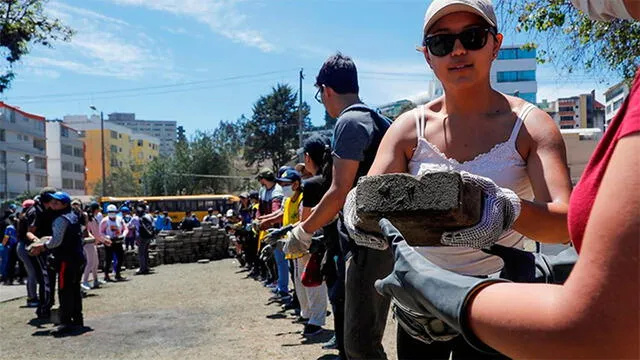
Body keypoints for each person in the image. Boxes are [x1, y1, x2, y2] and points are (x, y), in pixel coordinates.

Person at [372, 0, 639, 359]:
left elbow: (563, 224)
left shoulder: (530, 125)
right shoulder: (407, 128)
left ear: (495, 44)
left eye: (473, 36)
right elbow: (372, 202)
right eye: (441, 42)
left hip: (503, 299)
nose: (459, 50)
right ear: (427, 56)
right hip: (421, 309)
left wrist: (502, 209)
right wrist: (360, 209)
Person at [286, 53, 393, 359]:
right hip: (382, 239)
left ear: (326, 90)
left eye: (321, 96)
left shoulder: (349, 122)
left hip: (367, 242)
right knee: (364, 337)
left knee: (360, 344)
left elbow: (339, 190)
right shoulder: (378, 119)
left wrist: (303, 231)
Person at [298, 134, 345, 355]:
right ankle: (342, 337)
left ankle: (343, 343)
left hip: (327, 244)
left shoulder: (312, 184)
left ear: (308, 158)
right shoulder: (338, 178)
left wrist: (295, 235)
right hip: (343, 243)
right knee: (341, 294)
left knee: (335, 294)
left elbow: (305, 221)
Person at [29, 191, 86, 335]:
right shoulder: (73, 216)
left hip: (66, 259)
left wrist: (42, 246)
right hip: (77, 257)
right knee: (74, 289)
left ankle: (66, 321)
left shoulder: (60, 219)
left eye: (56, 202)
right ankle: (77, 318)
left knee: (64, 290)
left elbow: (56, 241)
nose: (52, 205)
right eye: (52, 202)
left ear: (64, 204)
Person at [25, 187, 59, 320]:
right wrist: (38, 241)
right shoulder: (35, 212)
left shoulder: (50, 210)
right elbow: (29, 232)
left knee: (50, 278)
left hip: (49, 247)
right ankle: (44, 307)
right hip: (39, 249)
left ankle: (48, 303)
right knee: (45, 278)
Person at [16, 200, 39, 307]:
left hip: (20, 246)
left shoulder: (22, 217)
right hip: (24, 247)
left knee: (31, 273)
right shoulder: (28, 218)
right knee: (32, 273)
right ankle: (32, 298)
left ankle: (32, 296)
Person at [99, 204, 128, 282]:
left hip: (118, 241)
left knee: (120, 258)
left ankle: (118, 274)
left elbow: (125, 228)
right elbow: (101, 232)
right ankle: (106, 275)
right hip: (109, 242)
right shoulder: (104, 221)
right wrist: (106, 237)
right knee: (108, 259)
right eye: (110, 212)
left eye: (113, 212)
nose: (112, 213)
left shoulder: (120, 219)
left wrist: (123, 235)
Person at [83, 202, 103, 289]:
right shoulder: (89, 220)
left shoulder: (93, 219)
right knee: (90, 263)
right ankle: (85, 281)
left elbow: (97, 233)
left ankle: (95, 280)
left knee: (95, 262)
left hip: (93, 243)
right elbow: (91, 233)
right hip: (88, 243)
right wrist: (103, 240)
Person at [2, 214, 21, 285]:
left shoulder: (9, 227)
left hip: (12, 247)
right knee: (21, 263)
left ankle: (10, 279)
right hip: (20, 246)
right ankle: (21, 279)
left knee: (11, 263)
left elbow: (6, 237)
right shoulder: (20, 226)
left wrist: (3, 245)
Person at [136, 205, 155, 275]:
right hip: (149, 237)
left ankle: (142, 269)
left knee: (141, 253)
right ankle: (147, 267)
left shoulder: (141, 219)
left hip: (143, 237)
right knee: (146, 252)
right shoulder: (149, 216)